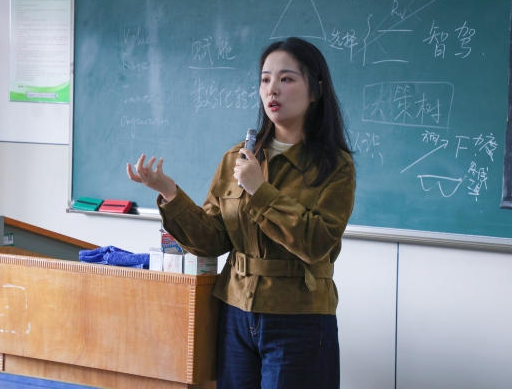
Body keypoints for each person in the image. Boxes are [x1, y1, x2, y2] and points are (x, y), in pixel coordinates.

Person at [127, 37, 355, 389]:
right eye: (265, 79)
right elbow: (211, 240)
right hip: (234, 311)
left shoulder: (334, 165)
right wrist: (170, 194)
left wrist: (260, 191)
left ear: (315, 90)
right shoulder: (237, 157)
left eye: (286, 78)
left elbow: (316, 243)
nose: (272, 89)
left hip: (299, 316)